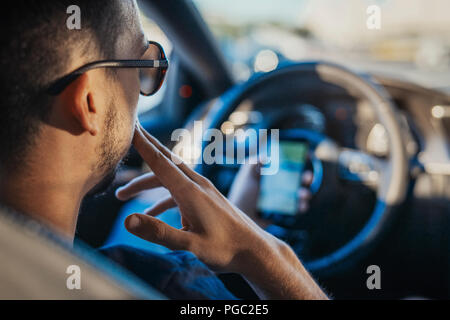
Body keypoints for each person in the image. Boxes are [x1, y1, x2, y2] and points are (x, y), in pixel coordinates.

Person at [0, 0, 327, 300]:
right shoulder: (167, 283)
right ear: (90, 103)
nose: (143, 91)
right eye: (143, 66)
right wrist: (266, 255)